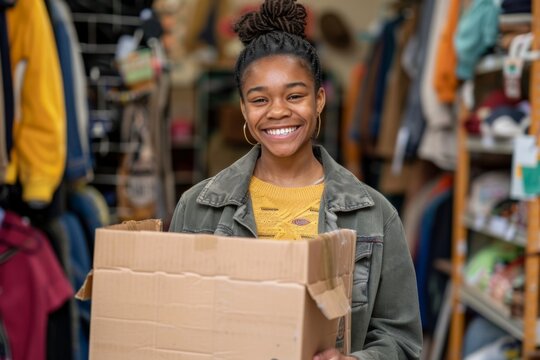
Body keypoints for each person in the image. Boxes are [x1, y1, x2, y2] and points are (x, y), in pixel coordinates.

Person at [169, 0, 423, 358]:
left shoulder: (375, 215)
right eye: (260, 99)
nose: (278, 111)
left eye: (295, 95)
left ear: (319, 100)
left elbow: (403, 342)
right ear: (243, 108)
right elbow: (174, 325)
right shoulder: (197, 208)